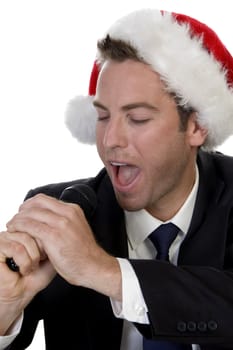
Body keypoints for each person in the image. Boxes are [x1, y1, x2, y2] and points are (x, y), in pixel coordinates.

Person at [0, 8, 233, 350]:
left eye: (137, 118)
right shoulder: (65, 211)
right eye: (102, 116)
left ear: (197, 127)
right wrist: (5, 308)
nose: (110, 140)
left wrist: (103, 271)